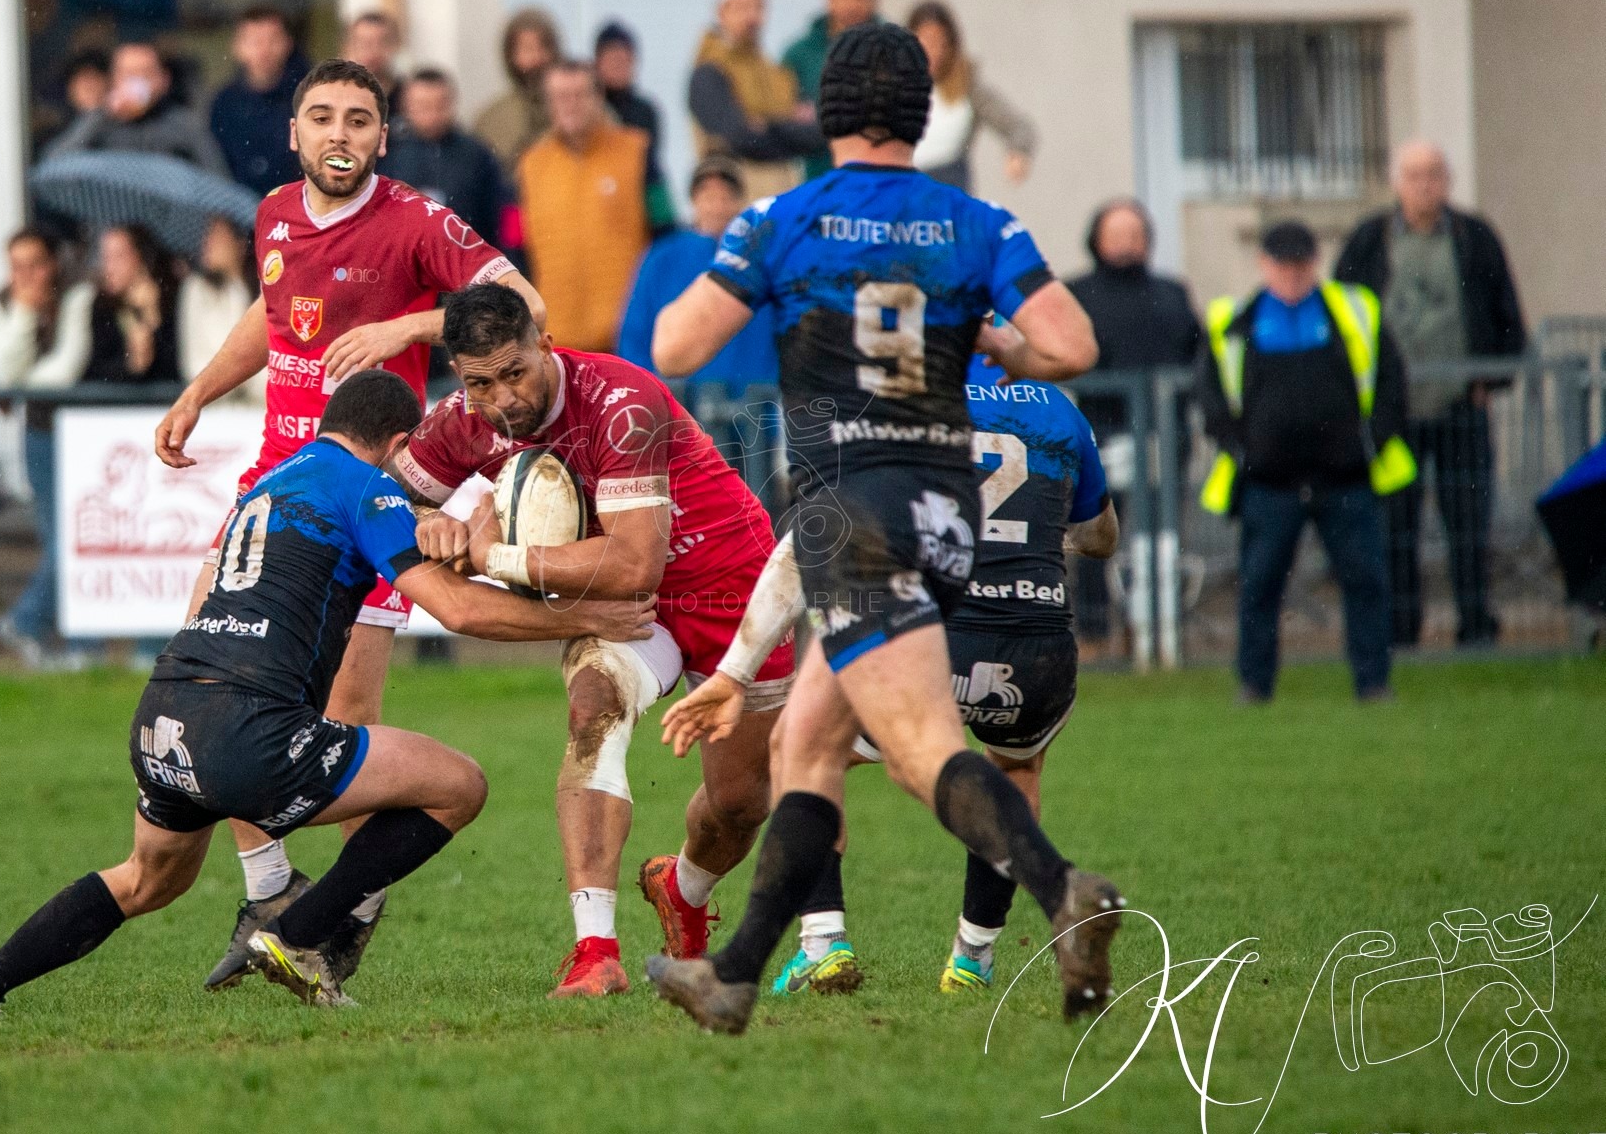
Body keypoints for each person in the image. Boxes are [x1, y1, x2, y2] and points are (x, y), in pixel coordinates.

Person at [644, 22, 1120, 1035]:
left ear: (823, 111)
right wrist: (994, 341)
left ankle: (1062, 889)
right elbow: (1073, 343)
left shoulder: (782, 218)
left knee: (920, 751)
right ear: (921, 111)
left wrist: (754, 268)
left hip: (853, 513)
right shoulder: (977, 220)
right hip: (945, 522)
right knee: (804, 742)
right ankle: (732, 973)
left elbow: (673, 344)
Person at [0, 369, 655, 1017]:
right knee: (459, 786)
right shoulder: (368, 487)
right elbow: (458, 610)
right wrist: (591, 616)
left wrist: (458, 530)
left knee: (147, 879)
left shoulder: (274, 480)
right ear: (398, 444)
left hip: (163, 716)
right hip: (248, 730)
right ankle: (297, 935)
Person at [152, 57, 548, 992]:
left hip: (368, 493)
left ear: (382, 136)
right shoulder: (273, 213)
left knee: (345, 726)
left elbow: (525, 306)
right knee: (211, 686)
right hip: (274, 484)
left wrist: (409, 329)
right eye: (324, 116)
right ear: (294, 131)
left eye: (359, 119)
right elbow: (273, 316)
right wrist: (200, 390)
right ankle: (269, 890)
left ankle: (349, 909)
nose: (341, 134)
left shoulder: (415, 221)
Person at [667, 350, 1120, 997]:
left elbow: (812, 539)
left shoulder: (892, 410)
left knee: (801, 747)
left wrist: (735, 670)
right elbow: (1100, 536)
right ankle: (973, 959)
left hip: (932, 636)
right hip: (1037, 644)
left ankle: (822, 944)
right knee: (1014, 773)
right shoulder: (1056, 409)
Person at [388, 284, 797, 997]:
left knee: (739, 803)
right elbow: (389, 497)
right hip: (625, 613)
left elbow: (636, 561)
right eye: (480, 383)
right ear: (458, 375)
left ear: (545, 347)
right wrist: (429, 519)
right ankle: (595, 952)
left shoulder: (619, 400)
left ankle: (682, 890)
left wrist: (492, 556)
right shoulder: (461, 419)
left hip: (729, 587)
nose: (502, 398)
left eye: (515, 373)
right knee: (592, 710)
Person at [1197, 221, 1416, 703]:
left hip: (1345, 478)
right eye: (1283, 265)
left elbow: (1391, 385)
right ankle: (1254, 684)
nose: (1292, 275)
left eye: (1301, 264)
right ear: (1263, 265)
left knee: (1365, 581)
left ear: (1315, 263)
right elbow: (1211, 398)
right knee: (1259, 585)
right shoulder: (1234, 322)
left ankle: (1373, 682)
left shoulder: (1355, 311)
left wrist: (1369, 444)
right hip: (1269, 481)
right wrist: (1242, 450)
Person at [1332, 141, 1527, 647]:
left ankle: (1475, 626)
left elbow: (1507, 315)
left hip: (1461, 407)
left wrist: (1491, 378)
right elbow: (1340, 314)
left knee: (1469, 523)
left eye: (1434, 173)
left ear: (1448, 181)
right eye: (1414, 175)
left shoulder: (1474, 237)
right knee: (1394, 526)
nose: (1425, 185)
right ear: (1396, 182)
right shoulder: (1369, 239)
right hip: (1392, 415)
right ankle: (1400, 629)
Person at [1065, 199, 1202, 645]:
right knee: (1096, 532)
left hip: (1165, 436)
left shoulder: (1172, 293)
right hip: (1103, 437)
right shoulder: (1076, 295)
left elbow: (1195, 355)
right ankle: (1094, 628)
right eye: (1116, 234)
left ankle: (1161, 626)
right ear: (1096, 240)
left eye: (1135, 234)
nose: (1127, 243)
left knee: (1164, 537)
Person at [0, 227, 94, 668]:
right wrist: (24, 314)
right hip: (40, 435)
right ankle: (48, 633)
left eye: (35, 265)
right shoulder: (2, 303)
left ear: (53, 264)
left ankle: (33, 624)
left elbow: (66, 368)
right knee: (58, 538)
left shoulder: (78, 295)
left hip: (84, 434)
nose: (26, 276)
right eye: (17, 267)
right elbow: (1, 370)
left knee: (78, 537)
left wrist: (18, 384)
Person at [518, 60, 669, 354]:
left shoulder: (637, 152)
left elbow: (666, 231)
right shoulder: (530, 165)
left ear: (598, 97)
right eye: (560, 97)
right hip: (554, 341)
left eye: (579, 95)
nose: (570, 105)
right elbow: (514, 246)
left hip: (626, 338)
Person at [617, 157, 774, 388]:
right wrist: (646, 389)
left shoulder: (763, 257)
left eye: (726, 198)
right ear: (694, 201)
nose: (717, 207)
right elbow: (635, 332)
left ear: (740, 204)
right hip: (683, 396)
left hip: (755, 395)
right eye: (709, 198)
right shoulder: (662, 258)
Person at [687, 0, 824, 201]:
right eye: (741, 8)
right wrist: (787, 124)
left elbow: (814, 135)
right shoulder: (709, 72)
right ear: (721, 12)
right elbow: (740, 138)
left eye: (758, 7)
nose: (752, 17)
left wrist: (766, 125)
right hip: (736, 203)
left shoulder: (773, 72)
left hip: (782, 195)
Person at [906, 0, 1036, 192]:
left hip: (948, 185)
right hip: (904, 183)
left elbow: (1018, 127)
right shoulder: (893, 84)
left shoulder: (968, 87)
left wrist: (1018, 151)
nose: (934, 52)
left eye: (941, 43)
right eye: (926, 41)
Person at [378, 68, 515, 251]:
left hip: (468, 257)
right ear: (406, 105)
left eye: (440, 106)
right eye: (423, 106)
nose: (432, 115)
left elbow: (506, 212)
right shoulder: (388, 153)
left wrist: (512, 257)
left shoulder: (476, 154)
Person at [41, 42, 229, 175]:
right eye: (129, 74)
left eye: (145, 73)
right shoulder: (99, 123)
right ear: (113, 80)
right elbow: (54, 163)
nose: (136, 82)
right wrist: (103, 114)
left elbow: (216, 178)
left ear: (163, 80)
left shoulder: (185, 124)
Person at [783, 0, 882, 179]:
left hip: (876, 177)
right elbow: (786, 118)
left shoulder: (892, 49)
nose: (852, 4)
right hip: (818, 176)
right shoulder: (799, 54)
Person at [209, 5, 310, 196]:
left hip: (299, 204)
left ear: (288, 43)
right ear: (237, 47)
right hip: (237, 207)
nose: (264, 50)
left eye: (272, 40)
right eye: (254, 42)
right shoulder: (223, 103)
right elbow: (214, 163)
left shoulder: (309, 97)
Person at [179, 217, 263, 405]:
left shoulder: (261, 289)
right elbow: (194, 360)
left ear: (240, 244)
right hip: (214, 406)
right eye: (207, 237)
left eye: (218, 237)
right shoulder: (196, 289)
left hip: (260, 406)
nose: (208, 244)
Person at [86, 223, 180, 387]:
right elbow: (96, 369)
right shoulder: (102, 306)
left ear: (141, 258)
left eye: (119, 257)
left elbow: (174, 367)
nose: (109, 268)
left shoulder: (170, 301)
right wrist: (131, 362)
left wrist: (152, 318)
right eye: (106, 258)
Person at [475, 7, 561, 170]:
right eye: (527, 49)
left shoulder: (584, 109)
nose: (537, 58)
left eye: (543, 48)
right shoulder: (491, 120)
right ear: (510, 55)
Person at [592, 20, 664, 184]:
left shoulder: (646, 111)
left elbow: (649, 161)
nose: (618, 65)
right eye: (612, 59)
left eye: (624, 59)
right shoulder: (590, 110)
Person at [341, 10, 406, 116]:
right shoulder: (332, 97)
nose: (373, 51)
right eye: (364, 44)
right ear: (347, 47)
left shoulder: (407, 100)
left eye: (381, 43)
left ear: (396, 45)